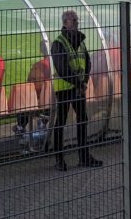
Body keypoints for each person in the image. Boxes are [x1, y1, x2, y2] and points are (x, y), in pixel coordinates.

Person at [50, 10, 102, 170]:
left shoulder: (80, 41)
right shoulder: (59, 43)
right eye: (74, 20)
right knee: (61, 122)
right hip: (65, 88)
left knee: (82, 120)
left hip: (78, 88)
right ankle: (59, 159)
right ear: (65, 23)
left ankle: (84, 157)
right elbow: (62, 68)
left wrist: (84, 82)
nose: (77, 21)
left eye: (77, 19)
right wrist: (80, 84)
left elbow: (87, 62)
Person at [16, 40, 51, 133]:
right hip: (57, 98)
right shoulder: (58, 64)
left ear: (41, 50)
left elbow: (30, 84)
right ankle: (42, 122)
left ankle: (20, 126)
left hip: (42, 100)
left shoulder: (38, 66)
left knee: (25, 99)